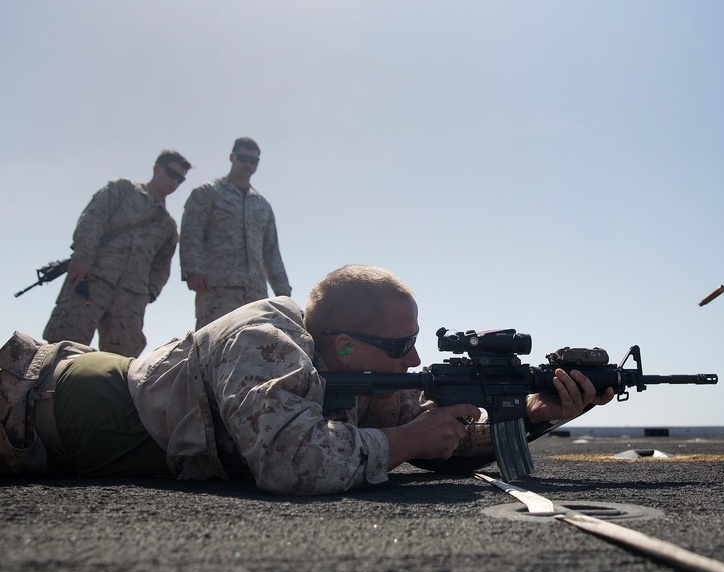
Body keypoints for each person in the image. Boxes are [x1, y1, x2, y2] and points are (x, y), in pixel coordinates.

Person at [1, 265, 613, 494]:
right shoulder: (262, 339)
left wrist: (534, 413)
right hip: (29, 405)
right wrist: (403, 445)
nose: (411, 361)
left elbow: (434, 437)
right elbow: (293, 461)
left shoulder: (362, 370)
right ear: (343, 344)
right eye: (400, 345)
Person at [42, 150, 192, 357]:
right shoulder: (123, 190)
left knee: (121, 363)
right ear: (157, 168)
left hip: (130, 299)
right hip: (92, 280)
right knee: (64, 348)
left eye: (180, 179)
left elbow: (162, 265)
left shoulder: (168, 226)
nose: (174, 181)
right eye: (171, 174)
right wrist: (82, 258)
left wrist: (149, 293)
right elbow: (92, 220)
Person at [180, 137, 291, 329]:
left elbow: (271, 251)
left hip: (255, 293)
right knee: (213, 346)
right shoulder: (208, 193)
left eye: (253, 160)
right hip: (217, 288)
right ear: (232, 157)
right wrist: (192, 270)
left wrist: (283, 292)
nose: (247, 164)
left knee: (254, 346)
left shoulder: (262, 205)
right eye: (243, 158)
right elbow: (192, 232)